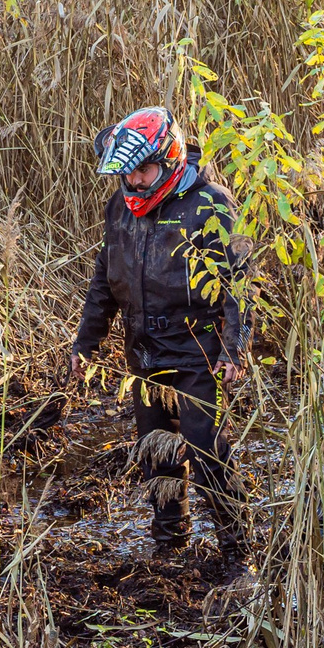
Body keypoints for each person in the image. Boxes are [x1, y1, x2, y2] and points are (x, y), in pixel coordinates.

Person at [67, 107, 250, 563]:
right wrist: (85, 344)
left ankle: (237, 546)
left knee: (206, 451)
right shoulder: (119, 208)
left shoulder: (210, 204)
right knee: (156, 455)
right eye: (126, 174)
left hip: (197, 351)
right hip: (144, 354)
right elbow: (103, 282)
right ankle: (170, 546)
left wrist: (234, 348)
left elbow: (239, 283)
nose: (134, 182)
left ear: (168, 160)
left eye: (143, 171)